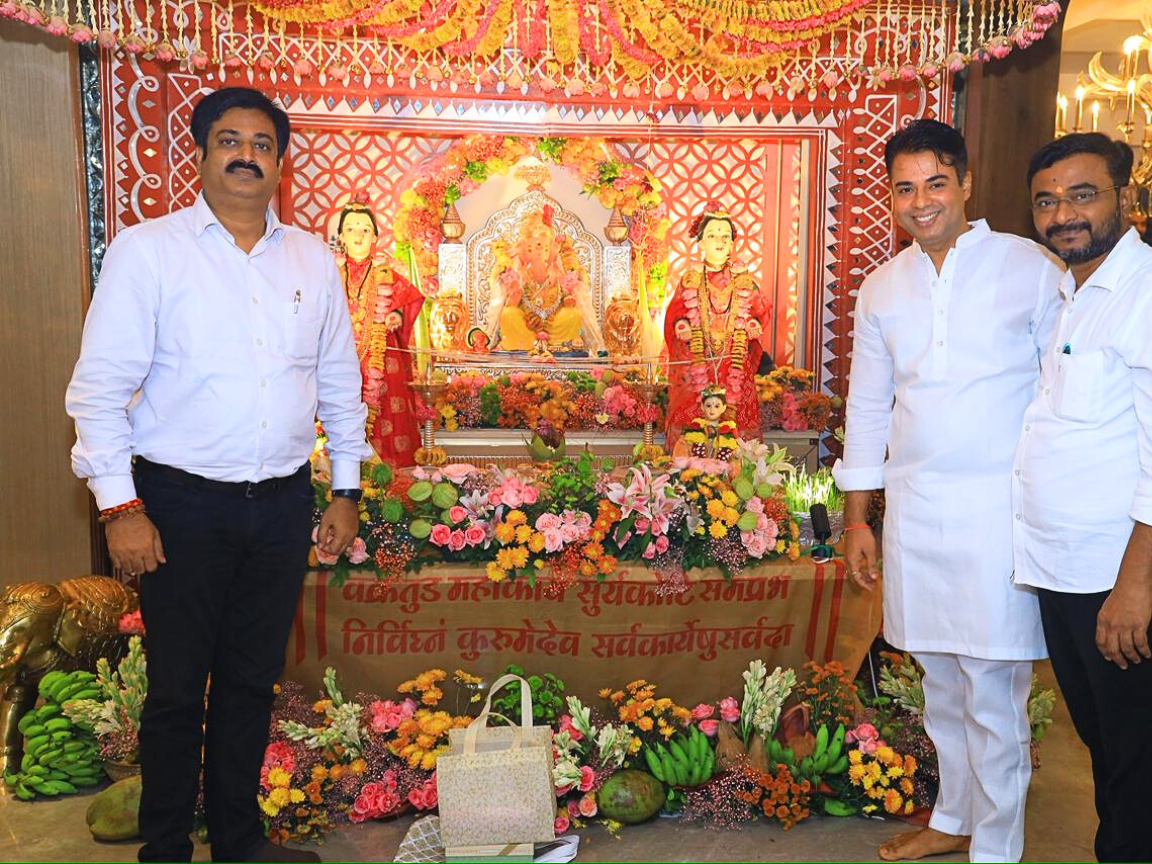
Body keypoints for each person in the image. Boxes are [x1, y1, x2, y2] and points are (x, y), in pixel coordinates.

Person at [65, 87, 372, 863]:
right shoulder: (149, 250)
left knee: (249, 684)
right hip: (177, 503)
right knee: (175, 691)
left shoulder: (311, 258)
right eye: (228, 139)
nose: (245, 154)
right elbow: (99, 390)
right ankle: (164, 848)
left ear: (280, 161)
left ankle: (240, 843)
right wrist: (119, 509)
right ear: (200, 155)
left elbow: (339, 380)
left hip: (277, 505)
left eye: (262, 143)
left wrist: (345, 489)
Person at [832, 119, 1063, 863]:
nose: (921, 201)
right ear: (890, 198)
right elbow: (867, 408)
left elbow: (1060, 394)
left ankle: (997, 846)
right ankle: (955, 816)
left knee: (994, 690)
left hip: (1001, 514)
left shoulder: (1030, 266)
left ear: (965, 184)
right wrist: (857, 520)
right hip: (919, 516)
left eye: (936, 183)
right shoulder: (882, 286)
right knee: (939, 683)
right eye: (905, 187)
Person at [1013, 133, 1152, 863]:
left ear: (1124, 195)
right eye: (1046, 200)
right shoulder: (1072, 294)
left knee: (1136, 759)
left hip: (1117, 577)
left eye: (1081, 193)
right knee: (1107, 748)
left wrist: (1134, 589)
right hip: (1065, 571)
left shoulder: (1142, 294)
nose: (1063, 213)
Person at [664, 202, 771, 442]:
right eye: (712, 235)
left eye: (725, 236)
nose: (719, 241)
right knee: (694, 421)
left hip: (733, 358)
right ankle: (689, 470)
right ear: (701, 242)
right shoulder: (690, 278)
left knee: (735, 416)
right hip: (697, 359)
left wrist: (754, 322)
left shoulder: (743, 279)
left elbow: (759, 309)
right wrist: (682, 325)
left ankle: (739, 469)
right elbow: (676, 311)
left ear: (732, 242)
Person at [336, 199, 426, 467]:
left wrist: (396, 314)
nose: (358, 235)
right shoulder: (330, 273)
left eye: (365, 229)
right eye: (351, 229)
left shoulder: (386, 272)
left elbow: (410, 299)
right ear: (341, 236)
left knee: (389, 415)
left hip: (382, 360)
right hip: (340, 360)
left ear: (374, 236)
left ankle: (393, 477)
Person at [483, 205, 606, 353]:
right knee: (509, 314)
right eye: (532, 249)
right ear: (523, 250)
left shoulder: (558, 273)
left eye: (544, 248)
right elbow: (512, 305)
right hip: (527, 326)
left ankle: (559, 344)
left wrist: (568, 301)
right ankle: (524, 345)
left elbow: (565, 298)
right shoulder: (520, 275)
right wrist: (514, 296)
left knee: (573, 314)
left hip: (553, 324)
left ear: (552, 249)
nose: (539, 253)